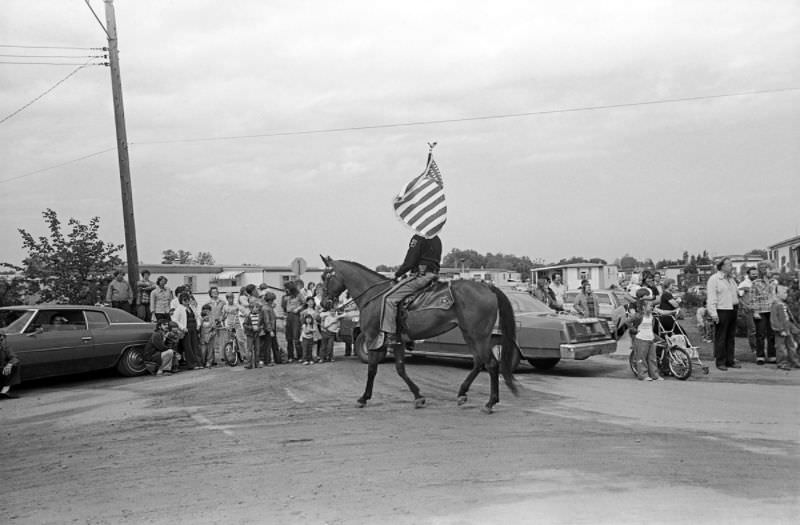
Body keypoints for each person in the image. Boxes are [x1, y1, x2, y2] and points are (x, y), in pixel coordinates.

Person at [381, 234, 442, 344]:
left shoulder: (418, 238)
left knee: (388, 299)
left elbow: (410, 261)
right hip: (434, 275)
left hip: (420, 277)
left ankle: (391, 336)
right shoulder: (437, 239)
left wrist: (396, 274)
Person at [706, 258, 740, 370]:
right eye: (729, 265)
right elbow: (711, 298)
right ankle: (720, 361)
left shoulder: (731, 279)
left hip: (732, 308)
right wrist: (713, 313)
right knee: (721, 336)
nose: (731, 267)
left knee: (731, 336)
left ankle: (730, 360)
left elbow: (735, 293)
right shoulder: (714, 279)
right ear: (722, 266)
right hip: (722, 309)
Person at [628, 291, 663, 381]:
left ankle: (655, 375)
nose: (652, 307)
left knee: (652, 358)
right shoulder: (639, 316)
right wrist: (633, 330)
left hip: (650, 339)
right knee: (642, 359)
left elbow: (651, 327)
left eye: (652, 306)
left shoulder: (651, 317)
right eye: (650, 306)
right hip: (641, 339)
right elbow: (627, 321)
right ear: (643, 307)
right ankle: (643, 375)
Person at [751, 262, 776, 365]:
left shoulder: (774, 282)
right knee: (760, 334)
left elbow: (776, 295)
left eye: (766, 268)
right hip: (761, 311)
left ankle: (772, 356)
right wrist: (755, 311)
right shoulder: (756, 282)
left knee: (772, 334)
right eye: (761, 268)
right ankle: (760, 356)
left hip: (772, 310)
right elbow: (753, 298)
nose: (764, 270)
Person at [770, 285, 800, 371]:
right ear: (778, 294)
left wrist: (793, 328)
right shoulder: (776, 305)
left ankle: (794, 361)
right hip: (781, 330)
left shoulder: (784, 304)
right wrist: (780, 329)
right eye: (784, 293)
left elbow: (788, 318)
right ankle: (782, 363)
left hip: (788, 329)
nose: (786, 294)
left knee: (791, 346)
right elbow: (774, 319)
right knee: (781, 347)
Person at [172, 292, 202, 369]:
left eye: (187, 299)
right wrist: (182, 328)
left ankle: (199, 363)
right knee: (188, 348)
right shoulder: (179, 309)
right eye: (184, 300)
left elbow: (197, 317)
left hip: (194, 329)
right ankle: (192, 365)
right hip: (186, 330)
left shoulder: (192, 307)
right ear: (181, 301)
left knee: (195, 346)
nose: (186, 301)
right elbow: (175, 320)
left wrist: (198, 325)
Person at [737, 267, 759, 357]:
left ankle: (760, 348)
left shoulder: (758, 283)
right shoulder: (744, 284)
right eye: (753, 274)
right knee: (752, 329)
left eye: (756, 274)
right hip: (749, 310)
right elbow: (738, 296)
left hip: (759, 309)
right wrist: (745, 306)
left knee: (759, 330)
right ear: (748, 274)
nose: (755, 275)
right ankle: (754, 349)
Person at [282, 281, 305, 362]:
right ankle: (290, 356)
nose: (285, 289)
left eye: (286, 288)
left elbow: (304, 303)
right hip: (288, 316)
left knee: (296, 337)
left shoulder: (299, 295)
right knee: (289, 338)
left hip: (295, 316)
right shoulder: (285, 296)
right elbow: (284, 307)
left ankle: (300, 356)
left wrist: (298, 309)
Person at [204, 287, 226, 366]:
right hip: (211, 324)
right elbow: (205, 314)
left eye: (216, 292)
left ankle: (223, 356)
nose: (215, 293)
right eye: (213, 292)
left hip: (220, 323)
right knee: (212, 342)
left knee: (222, 341)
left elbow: (225, 312)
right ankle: (212, 359)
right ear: (210, 293)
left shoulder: (222, 302)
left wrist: (222, 318)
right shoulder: (207, 303)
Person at [259, 292, 280, 366]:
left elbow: (272, 317)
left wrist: (279, 317)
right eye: (273, 300)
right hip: (268, 329)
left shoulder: (269, 307)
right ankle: (267, 361)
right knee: (268, 345)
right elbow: (267, 320)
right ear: (270, 300)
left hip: (271, 328)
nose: (273, 301)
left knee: (274, 345)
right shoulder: (266, 308)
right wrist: (270, 330)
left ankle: (278, 360)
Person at [0, 332, 22, 399]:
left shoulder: (5, 347)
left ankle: (4, 392)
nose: (1, 341)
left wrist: (9, 364)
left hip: (2, 369)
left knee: (15, 365)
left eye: (1, 339)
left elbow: (14, 358)